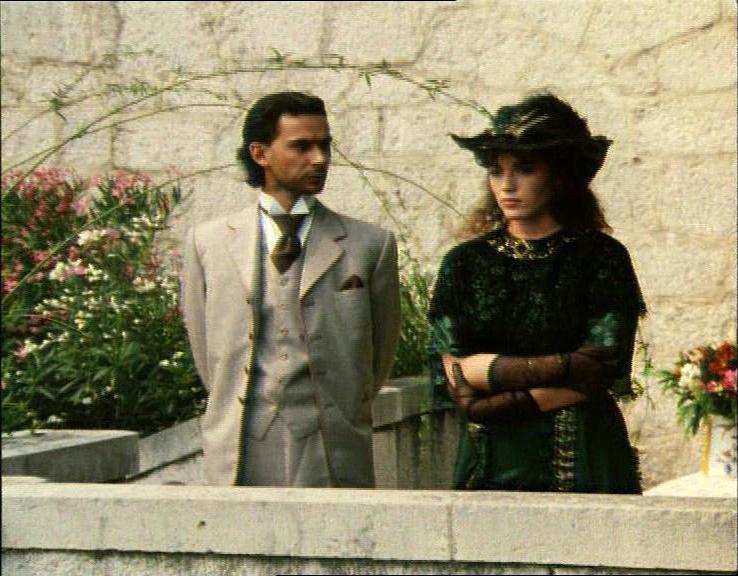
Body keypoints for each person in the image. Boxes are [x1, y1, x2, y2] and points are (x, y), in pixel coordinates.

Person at [428, 93, 645, 493]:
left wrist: (502, 401)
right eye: (496, 171)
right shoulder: (465, 263)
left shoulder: (601, 258)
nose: (507, 185)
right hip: (491, 455)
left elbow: (600, 367)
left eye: (525, 169)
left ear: (560, 176)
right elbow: (455, 368)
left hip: (581, 453)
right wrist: (565, 366)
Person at [182, 91, 401, 487]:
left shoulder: (370, 245)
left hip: (332, 446)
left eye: (325, 146)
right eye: (301, 146)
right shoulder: (208, 243)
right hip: (242, 445)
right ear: (260, 154)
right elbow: (205, 350)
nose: (319, 159)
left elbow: (380, 352)